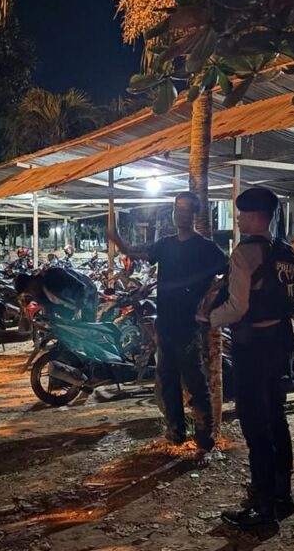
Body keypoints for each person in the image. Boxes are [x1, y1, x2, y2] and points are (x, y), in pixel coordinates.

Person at [206, 187, 294, 530]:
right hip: (280, 342)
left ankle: (263, 509)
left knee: (255, 424)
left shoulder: (245, 254)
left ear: (257, 217)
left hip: (254, 347)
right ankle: (281, 494)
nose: (239, 220)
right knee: (276, 417)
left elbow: (238, 307)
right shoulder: (286, 253)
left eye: (243, 215)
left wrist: (208, 319)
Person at [107, 191, 227, 454]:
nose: (180, 214)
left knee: (196, 382)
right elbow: (139, 253)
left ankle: (205, 439)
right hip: (165, 323)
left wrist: (209, 301)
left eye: (185, 210)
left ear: (194, 214)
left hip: (189, 326)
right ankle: (175, 435)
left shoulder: (206, 247)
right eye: (177, 209)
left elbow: (229, 273)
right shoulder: (165, 245)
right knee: (167, 380)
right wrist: (119, 241)